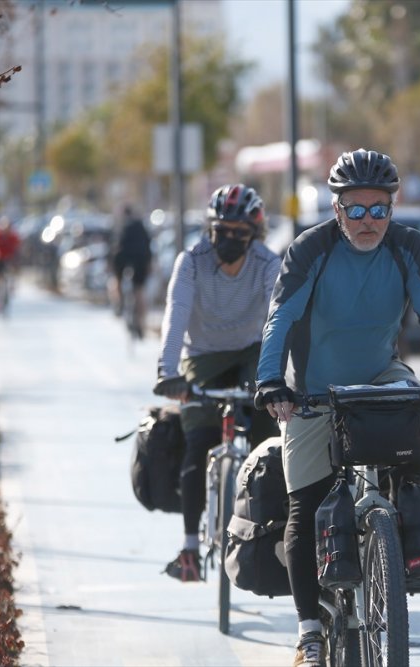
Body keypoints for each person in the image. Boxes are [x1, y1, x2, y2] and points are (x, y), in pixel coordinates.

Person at [254, 148, 420, 667]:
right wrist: (271, 382)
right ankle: (310, 632)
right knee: (304, 505)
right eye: (355, 209)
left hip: (380, 375)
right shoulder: (311, 249)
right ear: (337, 210)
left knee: (417, 432)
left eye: (379, 209)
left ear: (392, 209)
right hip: (313, 390)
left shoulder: (408, 247)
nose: (368, 220)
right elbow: (280, 320)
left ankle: (402, 545)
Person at [153, 184, 282, 582]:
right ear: (209, 229)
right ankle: (190, 547)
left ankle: (270, 534)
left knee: (267, 440)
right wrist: (167, 373)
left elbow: (279, 317)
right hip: (202, 357)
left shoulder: (267, 263)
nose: (228, 239)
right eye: (220, 231)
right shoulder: (191, 262)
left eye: (239, 233)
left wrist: (281, 377)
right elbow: (175, 316)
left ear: (255, 234)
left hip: (251, 353)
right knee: (198, 442)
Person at [110, 205, 153, 339]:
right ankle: (141, 323)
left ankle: (119, 303)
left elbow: (116, 246)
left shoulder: (122, 226)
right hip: (141, 258)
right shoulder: (141, 225)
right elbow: (148, 244)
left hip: (124, 257)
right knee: (139, 290)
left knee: (116, 280)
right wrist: (149, 263)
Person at [0, 216, 21, 314]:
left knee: (13, 274)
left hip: (10, 259)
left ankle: (12, 287)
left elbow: (17, 248)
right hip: (0, 259)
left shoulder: (13, 236)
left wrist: (17, 259)